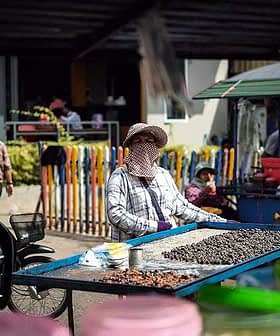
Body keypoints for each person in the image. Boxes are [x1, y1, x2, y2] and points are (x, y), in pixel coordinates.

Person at [106, 123, 231, 242]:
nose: (144, 145)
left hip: (166, 245)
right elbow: (115, 214)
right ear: (130, 147)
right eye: (138, 141)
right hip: (132, 251)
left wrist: (221, 221)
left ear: (155, 146)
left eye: (149, 141)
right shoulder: (120, 177)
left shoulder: (163, 175)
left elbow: (183, 207)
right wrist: (154, 226)